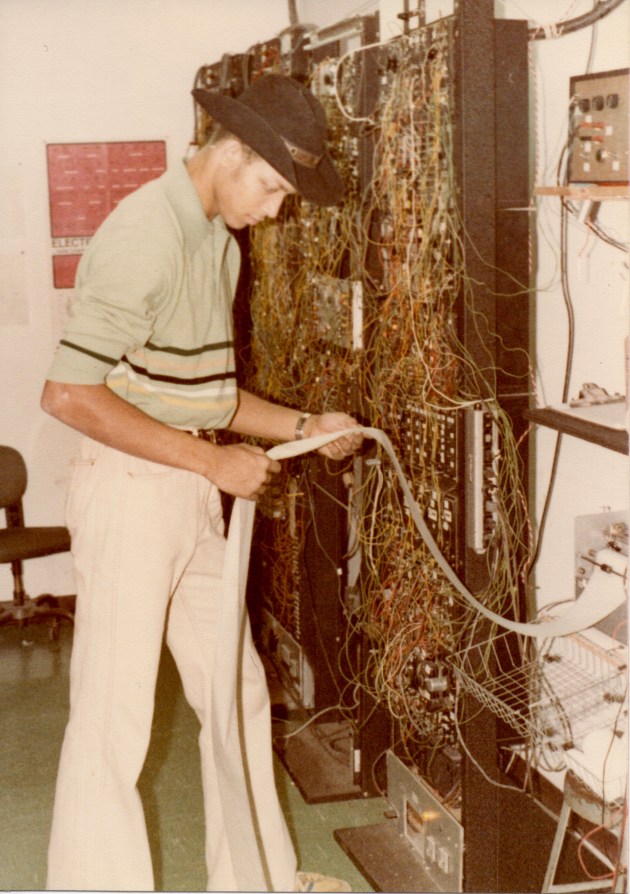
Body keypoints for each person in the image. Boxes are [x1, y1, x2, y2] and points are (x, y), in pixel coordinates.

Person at [41, 74, 362, 892]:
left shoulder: (217, 238)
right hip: (131, 489)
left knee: (236, 695)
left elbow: (204, 397)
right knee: (116, 723)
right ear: (230, 152)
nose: (279, 209)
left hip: (184, 486)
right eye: (274, 186)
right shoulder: (146, 232)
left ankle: (255, 881)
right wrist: (212, 462)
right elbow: (70, 396)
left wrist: (301, 427)